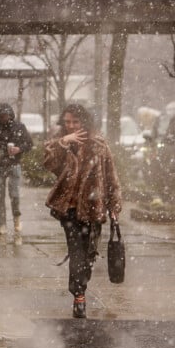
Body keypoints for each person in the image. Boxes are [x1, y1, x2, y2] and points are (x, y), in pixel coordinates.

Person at [43, 104, 122, 319]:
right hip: (68, 209)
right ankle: (79, 295)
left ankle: (80, 286)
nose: (70, 126)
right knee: (76, 251)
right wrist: (62, 143)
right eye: (67, 122)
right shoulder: (61, 143)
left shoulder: (98, 145)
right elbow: (48, 163)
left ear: (84, 122)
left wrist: (114, 207)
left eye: (75, 122)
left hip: (92, 208)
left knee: (88, 254)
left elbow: (111, 177)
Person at [0, 103, 33, 241]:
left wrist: (19, 149)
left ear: (10, 115)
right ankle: (2, 224)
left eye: (7, 115)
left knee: (14, 194)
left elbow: (29, 143)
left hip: (14, 164)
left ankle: (16, 219)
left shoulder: (19, 127)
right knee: (0, 196)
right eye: (2, 116)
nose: (5, 118)